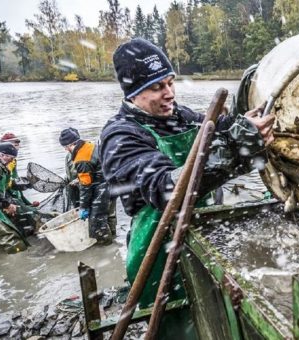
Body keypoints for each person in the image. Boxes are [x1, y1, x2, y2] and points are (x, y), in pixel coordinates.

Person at [99, 38, 275, 338]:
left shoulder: (182, 117)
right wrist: (235, 144)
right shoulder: (120, 137)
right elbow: (169, 189)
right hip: (160, 247)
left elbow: (223, 131)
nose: (169, 94)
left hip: (206, 232)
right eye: (157, 87)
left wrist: (244, 127)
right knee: (182, 327)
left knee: (219, 317)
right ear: (133, 92)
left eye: (170, 82)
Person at [60, 127, 117, 244]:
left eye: (66, 147)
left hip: (102, 188)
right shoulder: (91, 145)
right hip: (113, 182)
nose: (66, 150)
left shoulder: (81, 158)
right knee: (109, 214)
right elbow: (95, 167)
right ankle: (113, 237)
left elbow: (86, 187)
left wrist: (83, 207)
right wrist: (79, 179)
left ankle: (106, 246)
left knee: (96, 222)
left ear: (70, 145)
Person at [0, 132, 39, 208]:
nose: (18, 148)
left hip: (9, 188)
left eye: (17, 145)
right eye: (15, 145)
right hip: (0, 193)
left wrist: (27, 204)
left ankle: (26, 205)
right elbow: (1, 186)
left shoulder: (13, 161)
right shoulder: (0, 162)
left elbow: (15, 178)